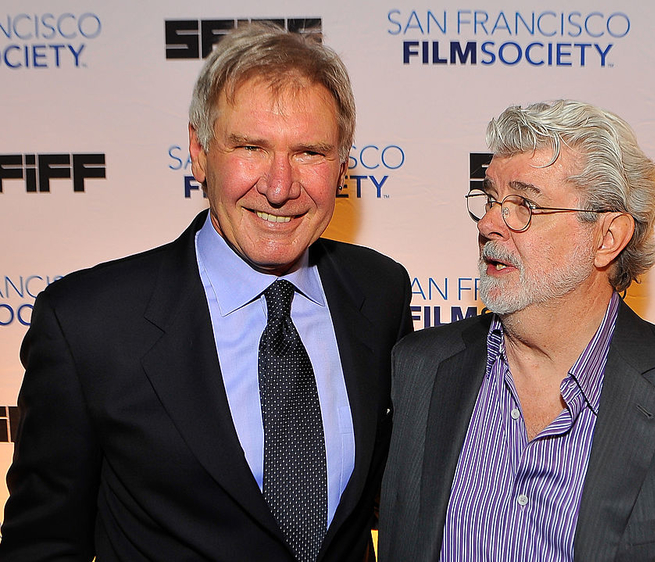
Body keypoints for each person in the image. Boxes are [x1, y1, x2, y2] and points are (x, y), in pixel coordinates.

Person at [0, 23, 412, 561]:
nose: (280, 186)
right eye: (250, 147)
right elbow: (43, 547)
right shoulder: (88, 325)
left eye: (309, 152)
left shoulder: (379, 293)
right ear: (199, 152)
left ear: (341, 162)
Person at [379, 100, 655, 561]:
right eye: (492, 199)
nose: (490, 223)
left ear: (608, 237)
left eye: (525, 204)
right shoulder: (419, 369)